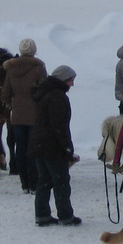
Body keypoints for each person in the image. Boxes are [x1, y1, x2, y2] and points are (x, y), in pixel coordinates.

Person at [29, 65, 80, 226]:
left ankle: (42, 215)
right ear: (63, 80)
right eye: (71, 80)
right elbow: (60, 127)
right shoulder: (58, 97)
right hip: (52, 146)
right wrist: (67, 149)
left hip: (38, 144)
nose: (72, 84)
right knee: (61, 181)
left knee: (44, 180)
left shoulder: (44, 93)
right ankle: (66, 216)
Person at [1, 38, 47, 193]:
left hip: (17, 115)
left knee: (20, 149)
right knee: (33, 149)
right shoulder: (39, 67)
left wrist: (11, 104)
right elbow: (44, 89)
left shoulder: (11, 69)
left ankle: (24, 183)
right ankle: (34, 184)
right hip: (34, 114)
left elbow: (6, 92)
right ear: (34, 50)